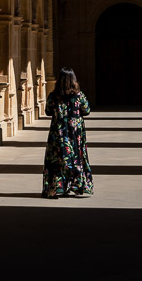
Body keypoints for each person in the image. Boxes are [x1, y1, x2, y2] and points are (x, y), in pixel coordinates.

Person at [41, 67, 93, 198]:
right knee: (76, 156)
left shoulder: (54, 96)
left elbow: (48, 111)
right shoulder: (79, 96)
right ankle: (77, 184)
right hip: (75, 132)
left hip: (58, 132)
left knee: (56, 157)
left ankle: (57, 186)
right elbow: (86, 110)